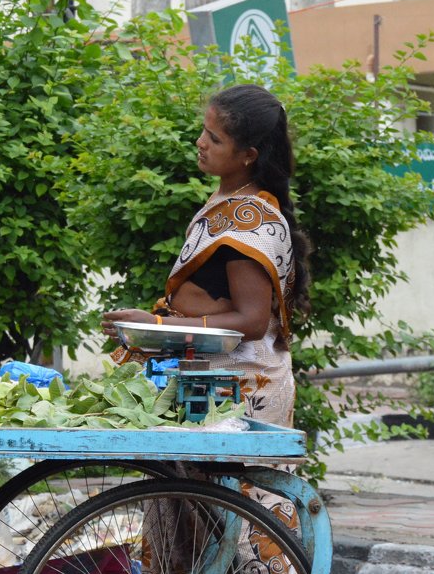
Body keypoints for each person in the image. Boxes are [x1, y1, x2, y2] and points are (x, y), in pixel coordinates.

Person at [100, 83, 312, 568]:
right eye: (204, 131)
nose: (201, 142)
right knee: (189, 518)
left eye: (214, 138)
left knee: (243, 533)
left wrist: (157, 323)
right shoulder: (230, 200)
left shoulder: (249, 217)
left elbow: (252, 321)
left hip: (242, 388)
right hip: (212, 385)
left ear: (248, 155)